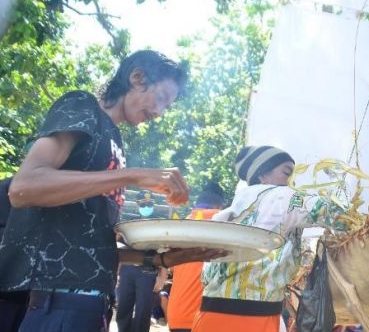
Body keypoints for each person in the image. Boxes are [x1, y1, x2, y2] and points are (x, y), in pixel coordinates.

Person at [0, 50, 226, 332]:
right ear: (137, 77)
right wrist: (132, 175)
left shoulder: (115, 143)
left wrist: (161, 259)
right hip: (54, 299)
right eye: (161, 99)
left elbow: (88, 241)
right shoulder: (83, 106)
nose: (158, 113)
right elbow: (24, 187)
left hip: (90, 302)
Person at [193, 145, 347, 332]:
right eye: (286, 173)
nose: (290, 182)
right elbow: (331, 212)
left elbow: (206, 276)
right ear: (262, 174)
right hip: (254, 321)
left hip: (208, 317)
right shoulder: (283, 196)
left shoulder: (227, 214)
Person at [167, 182, 225, 332]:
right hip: (204, 318)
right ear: (220, 206)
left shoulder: (182, 224)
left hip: (176, 316)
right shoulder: (224, 223)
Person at [116, 191, 163, 332]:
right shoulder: (129, 225)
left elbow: (163, 250)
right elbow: (120, 249)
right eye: (143, 204)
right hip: (127, 270)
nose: (146, 207)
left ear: (153, 205)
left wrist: (163, 275)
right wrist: (116, 273)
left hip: (148, 270)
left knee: (143, 310)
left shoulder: (160, 225)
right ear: (138, 205)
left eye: (149, 204)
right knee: (123, 307)